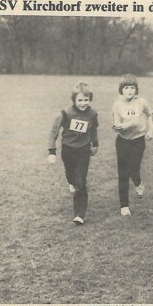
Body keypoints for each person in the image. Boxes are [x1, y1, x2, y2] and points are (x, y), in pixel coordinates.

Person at [47, 81, 99, 225]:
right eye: (80, 100)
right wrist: (52, 151)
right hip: (68, 150)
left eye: (86, 100)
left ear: (90, 100)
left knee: (81, 181)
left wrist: (95, 144)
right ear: (74, 100)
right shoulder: (66, 114)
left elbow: (93, 129)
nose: (83, 103)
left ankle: (79, 214)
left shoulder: (92, 114)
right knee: (71, 176)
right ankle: (71, 182)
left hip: (84, 150)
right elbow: (54, 132)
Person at [112, 74, 153, 217]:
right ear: (121, 90)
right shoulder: (117, 105)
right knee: (123, 173)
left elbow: (149, 115)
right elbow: (117, 125)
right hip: (123, 141)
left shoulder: (141, 102)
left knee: (133, 169)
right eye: (126, 88)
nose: (129, 91)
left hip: (138, 140)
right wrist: (122, 126)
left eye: (132, 88)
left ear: (136, 90)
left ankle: (138, 182)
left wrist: (151, 129)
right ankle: (124, 205)